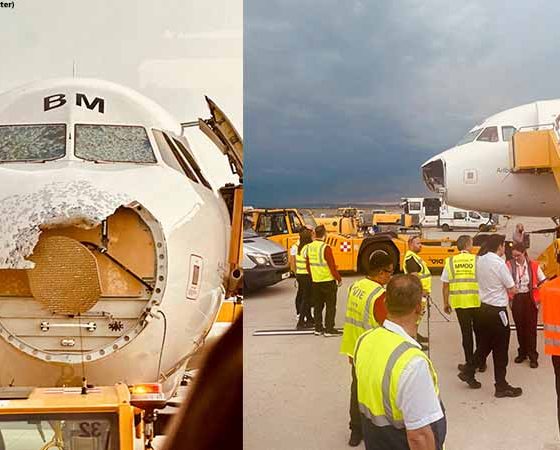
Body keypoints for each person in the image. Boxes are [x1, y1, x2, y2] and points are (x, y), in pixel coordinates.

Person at [354, 275, 446, 450]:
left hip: (376, 440)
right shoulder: (412, 362)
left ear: (386, 303)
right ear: (419, 308)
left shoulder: (364, 340)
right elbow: (419, 436)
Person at [340, 252, 393, 447]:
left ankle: (355, 430)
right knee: (375, 394)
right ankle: (376, 431)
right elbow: (386, 324)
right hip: (372, 353)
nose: (390, 277)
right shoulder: (379, 294)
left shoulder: (355, 286)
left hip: (354, 348)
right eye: (389, 272)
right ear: (380, 272)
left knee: (356, 390)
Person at [458, 234, 522, 397]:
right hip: (497, 312)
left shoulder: (480, 259)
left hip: (482, 309)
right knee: (500, 350)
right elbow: (512, 288)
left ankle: (469, 370)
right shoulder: (499, 264)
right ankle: (501, 386)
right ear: (500, 246)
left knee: (485, 344)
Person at [442, 235, 485, 374]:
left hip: (460, 303)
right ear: (468, 245)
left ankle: (469, 363)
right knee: (479, 332)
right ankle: (481, 362)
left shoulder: (450, 261)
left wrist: (446, 303)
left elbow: (445, 285)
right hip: (476, 301)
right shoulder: (477, 260)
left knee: (466, 334)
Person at [506, 242, 546, 368]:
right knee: (520, 327)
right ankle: (522, 352)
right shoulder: (509, 265)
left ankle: (533, 355)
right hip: (517, 298)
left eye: (518, 255)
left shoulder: (533, 265)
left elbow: (543, 281)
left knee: (531, 328)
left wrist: (538, 293)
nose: (516, 258)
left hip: (530, 298)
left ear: (524, 253)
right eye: (514, 256)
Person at [306, 224, 342, 337]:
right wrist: (338, 278)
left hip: (316, 281)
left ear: (315, 234)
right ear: (324, 235)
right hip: (328, 281)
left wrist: (313, 276)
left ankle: (318, 328)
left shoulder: (309, 247)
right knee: (330, 306)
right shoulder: (325, 247)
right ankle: (329, 329)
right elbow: (331, 266)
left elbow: (308, 265)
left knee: (318, 306)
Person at [403, 236, 431, 344]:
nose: (420, 246)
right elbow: (414, 277)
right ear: (410, 244)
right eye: (417, 243)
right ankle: (414, 340)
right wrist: (421, 290)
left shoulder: (414, 257)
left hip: (421, 293)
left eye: (420, 243)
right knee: (415, 319)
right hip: (418, 293)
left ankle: (416, 335)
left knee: (417, 318)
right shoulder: (411, 258)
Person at [290, 228, 315, 329]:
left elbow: (293, 263)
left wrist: (296, 274)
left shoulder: (297, 247)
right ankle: (301, 322)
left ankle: (309, 319)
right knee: (306, 298)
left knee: (305, 297)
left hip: (300, 275)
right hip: (306, 276)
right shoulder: (307, 248)